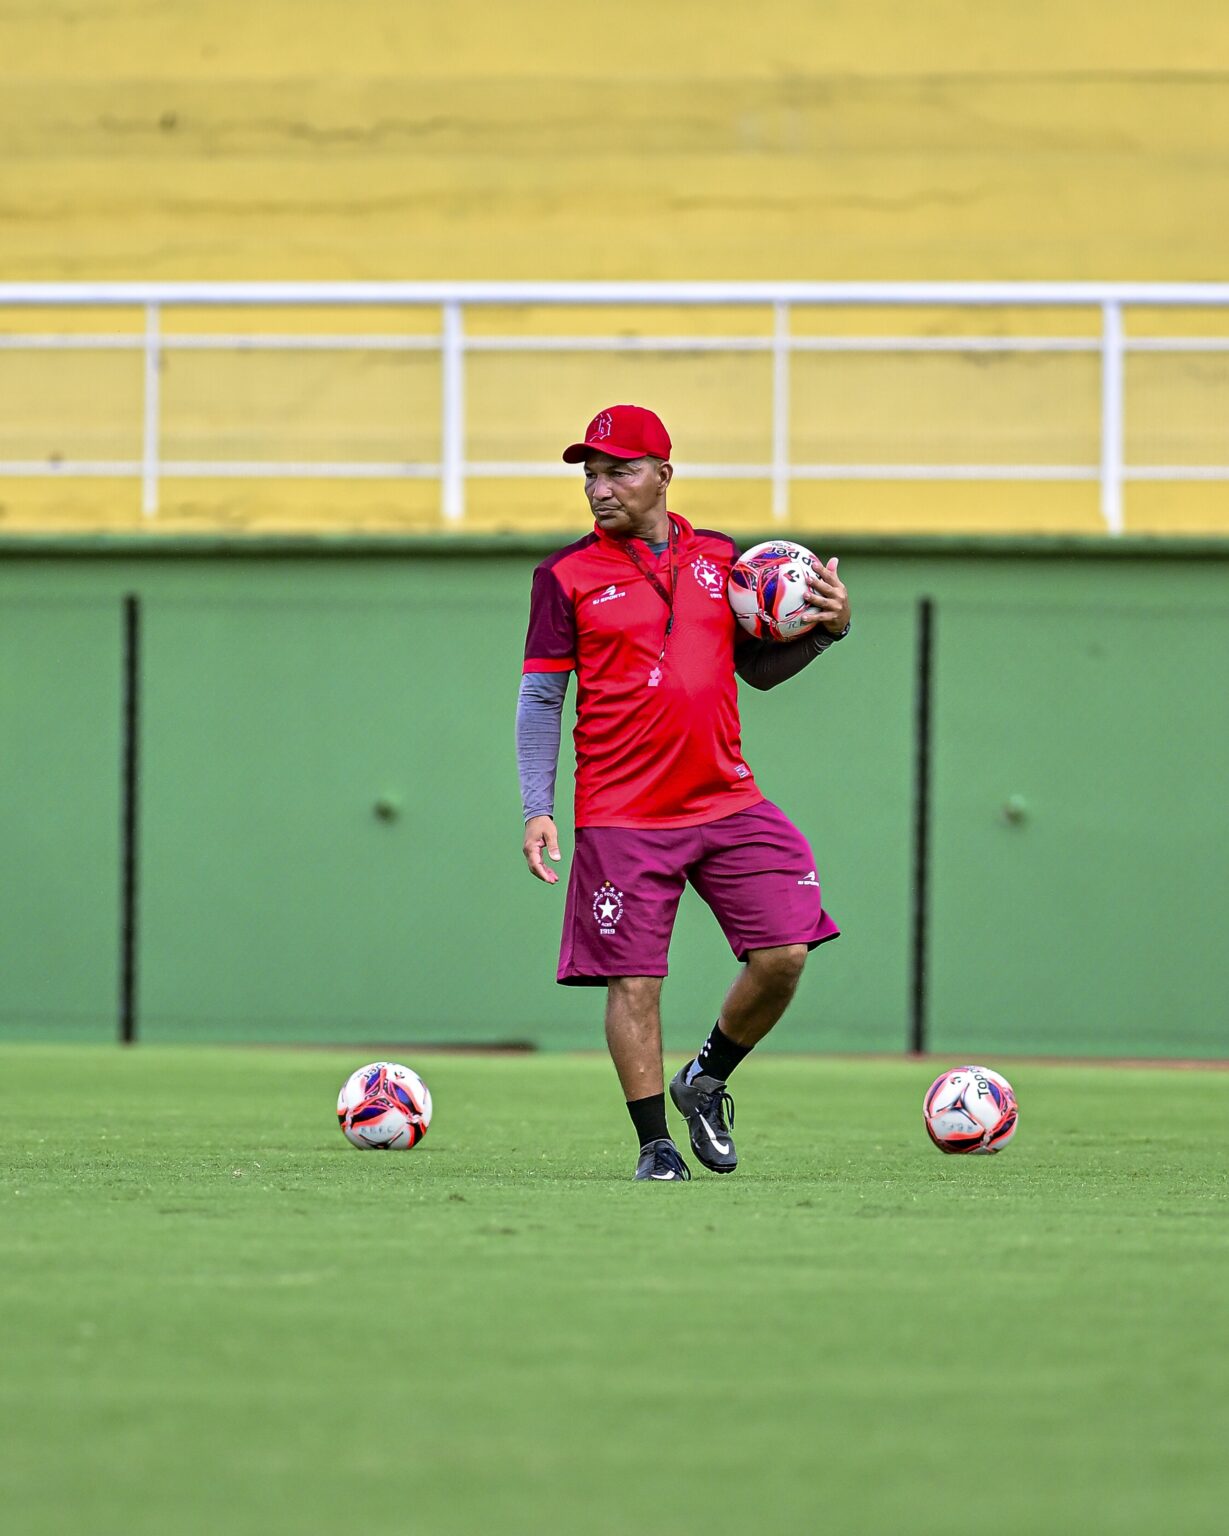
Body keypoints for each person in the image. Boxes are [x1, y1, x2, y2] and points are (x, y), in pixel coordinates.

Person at [516, 404, 850, 1181]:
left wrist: (825, 631)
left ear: (662, 475)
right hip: (621, 815)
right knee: (634, 979)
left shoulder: (722, 560)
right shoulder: (563, 576)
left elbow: (754, 671)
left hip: (728, 801)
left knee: (784, 953)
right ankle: (654, 1145)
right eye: (590, 476)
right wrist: (537, 805)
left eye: (618, 472)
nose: (599, 489)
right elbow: (539, 700)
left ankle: (704, 1078)